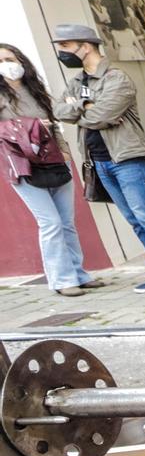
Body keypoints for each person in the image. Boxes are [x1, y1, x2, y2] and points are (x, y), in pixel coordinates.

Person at [49, 21, 145, 298]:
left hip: (127, 157)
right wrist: (82, 106)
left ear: (85, 46)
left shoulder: (116, 78)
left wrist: (83, 111)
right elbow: (59, 110)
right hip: (99, 160)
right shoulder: (77, 82)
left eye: (65, 46)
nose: (62, 53)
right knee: (133, 219)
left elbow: (103, 116)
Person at [0, 43, 94, 296]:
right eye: (1, 61)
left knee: (66, 222)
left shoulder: (36, 90)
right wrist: (29, 125)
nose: (7, 65)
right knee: (50, 222)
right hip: (21, 166)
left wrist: (63, 150)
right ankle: (62, 280)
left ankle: (79, 274)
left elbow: (53, 125)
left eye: (10, 58)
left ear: (21, 61)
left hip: (53, 159)